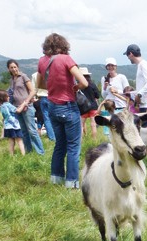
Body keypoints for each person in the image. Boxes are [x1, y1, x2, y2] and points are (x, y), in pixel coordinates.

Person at [36, 33, 88, 189]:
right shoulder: (66, 59)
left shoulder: (42, 61)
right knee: (73, 146)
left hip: (52, 106)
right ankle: (72, 183)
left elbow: (40, 84)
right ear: (63, 45)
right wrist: (75, 87)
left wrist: (54, 86)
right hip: (67, 105)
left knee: (60, 145)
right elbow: (84, 82)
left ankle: (56, 178)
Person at [7, 60, 44, 155]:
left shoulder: (23, 77)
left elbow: (32, 91)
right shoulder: (12, 79)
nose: (14, 69)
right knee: (23, 131)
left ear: (18, 67)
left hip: (27, 107)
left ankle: (40, 152)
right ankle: (29, 151)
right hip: (17, 108)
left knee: (32, 130)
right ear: (9, 69)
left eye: (15, 67)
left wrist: (26, 102)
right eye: (12, 67)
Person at [100, 57, 128, 136]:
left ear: (116, 66)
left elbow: (127, 92)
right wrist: (105, 88)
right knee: (111, 128)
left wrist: (117, 91)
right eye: (108, 65)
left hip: (120, 106)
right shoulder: (104, 78)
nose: (110, 67)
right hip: (110, 107)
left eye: (112, 65)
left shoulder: (122, 77)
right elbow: (104, 95)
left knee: (122, 128)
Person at [124, 45, 147, 119]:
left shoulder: (144, 65)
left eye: (127, 55)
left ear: (131, 54)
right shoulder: (141, 65)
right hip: (143, 104)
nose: (128, 57)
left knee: (146, 129)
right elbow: (143, 86)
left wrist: (139, 94)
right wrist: (132, 94)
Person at [0, 89, 25, 156]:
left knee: (12, 142)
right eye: (8, 96)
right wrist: (23, 104)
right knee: (20, 141)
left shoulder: (1, 106)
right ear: (4, 98)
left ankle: (11, 155)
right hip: (15, 126)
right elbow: (18, 111)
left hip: (7, 126)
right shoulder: (8, 105)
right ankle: (23, 154)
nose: (9, 97)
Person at [32, 71, 55, 141]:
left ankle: (52, 137)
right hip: (53, 96)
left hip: (42, 97)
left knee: (46, 118)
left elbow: (34, 88)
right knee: (55, 117)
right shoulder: (52, 72)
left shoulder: (35, 75)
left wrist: (33, 97)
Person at [79, 67, 100, 139]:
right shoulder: (92, 84)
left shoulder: (79, 85)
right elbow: (98, 95)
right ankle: (94, 139)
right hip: (93, 106)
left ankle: (80, 140)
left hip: (83, 107)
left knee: (81, 124)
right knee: (93, 124)